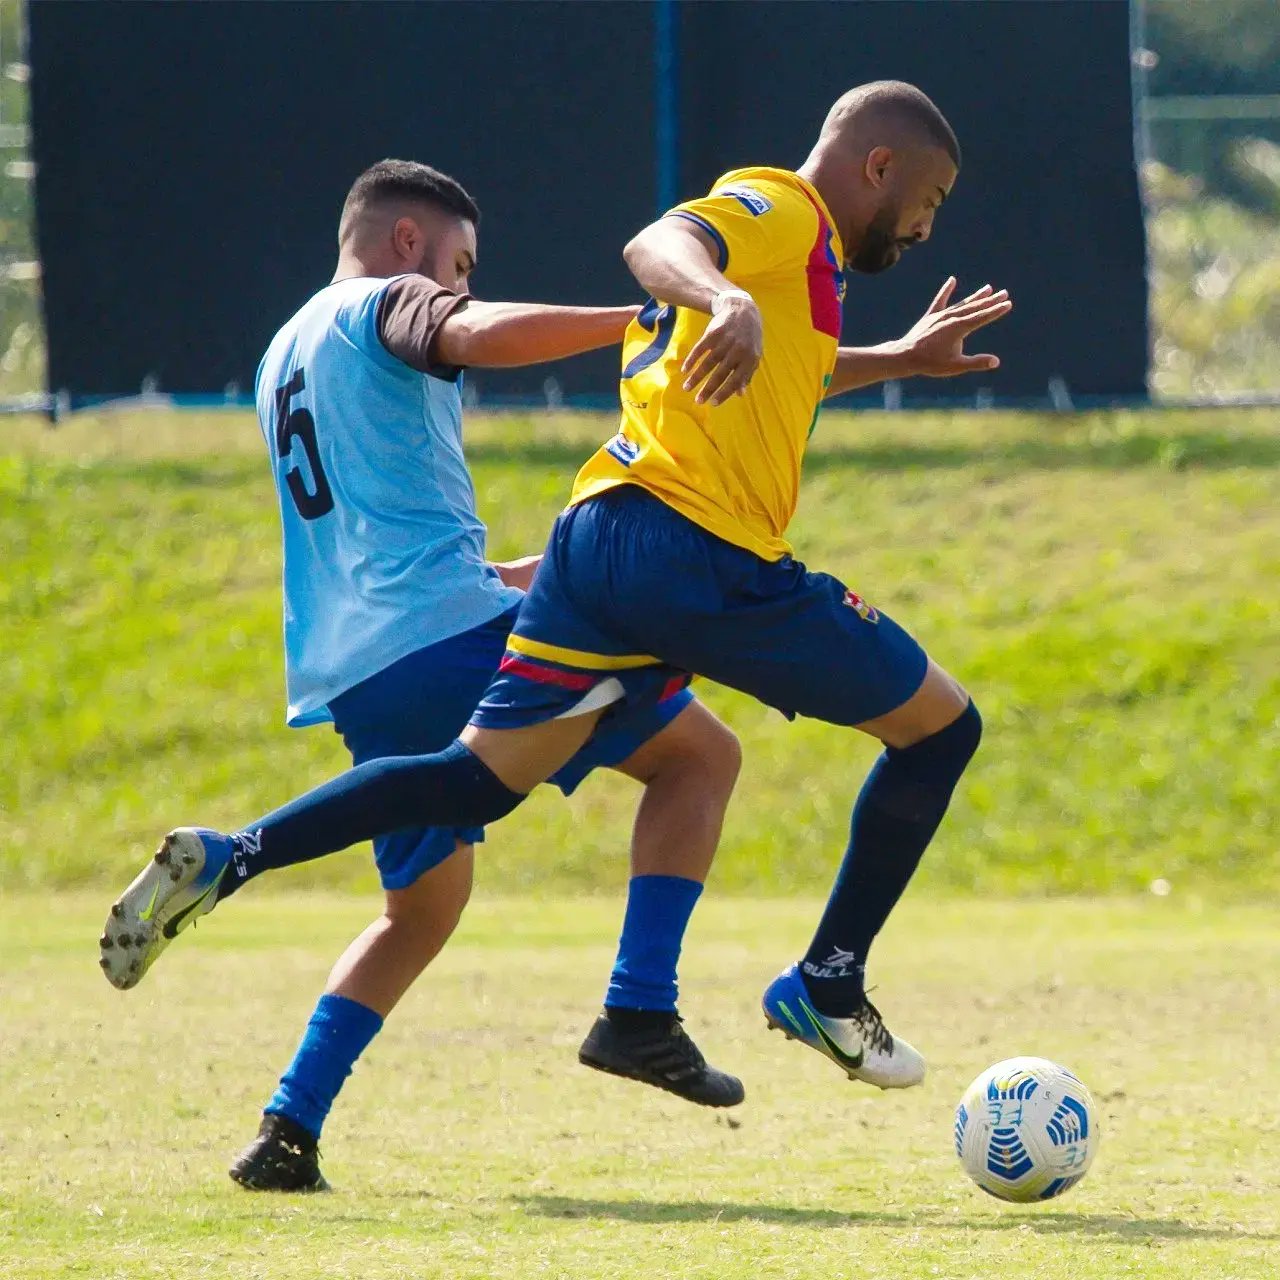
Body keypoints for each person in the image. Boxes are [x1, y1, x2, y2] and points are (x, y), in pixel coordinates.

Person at [105, 81, 1012, 1101]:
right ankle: (824, 981)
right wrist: (717, 293)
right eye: (927, 196)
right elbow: (657, 243)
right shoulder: (779, 212)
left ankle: (242, 854)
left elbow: (776, 368)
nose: (929, 226)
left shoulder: (286, 346)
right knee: (938, 729)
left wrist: (886, 357)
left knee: (470, 782)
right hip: (693, 551)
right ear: (875, 167)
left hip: (586, 546)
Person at [99, 159, 747, 1192]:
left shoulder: (284, 351)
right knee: (701, 757)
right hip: (450, 636)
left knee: (421, 908)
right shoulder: (386, 300)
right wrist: (641, 316)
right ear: (410, 243)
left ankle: (286, 1130)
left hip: (360, 667)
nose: (459, 284)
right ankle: (638, 1007)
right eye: (460, 264)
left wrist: (532, 569)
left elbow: (387, 527)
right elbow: (476, 334)